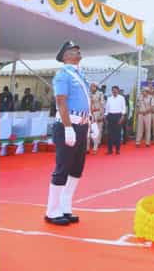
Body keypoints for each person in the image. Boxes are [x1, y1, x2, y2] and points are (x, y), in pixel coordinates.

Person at [45, 41, 91, 226]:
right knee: (63, 168)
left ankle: (65, 206)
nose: (78, 52)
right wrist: (67, 127)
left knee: (77, 169)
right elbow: (61, 102)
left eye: (78, 50)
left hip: (82, 125)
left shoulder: (80, 74)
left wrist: (91, 121)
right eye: (74, 50)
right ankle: (52, 210)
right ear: (65, 56)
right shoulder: (62, 75)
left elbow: (85, 102)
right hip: (68, 125)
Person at [104, 85, 127, 155]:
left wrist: (122, 117)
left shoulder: (122, 98)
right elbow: (107, 109)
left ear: (118, 90)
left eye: (115, 90)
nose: (114, 91)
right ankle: (110, 150)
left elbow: (123, 108)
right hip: (110, 116)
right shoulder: (109, 98)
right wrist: (105, 117)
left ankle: (118, 150)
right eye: (113, 90)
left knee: (118, 134)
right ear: (111, 91)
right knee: (110, 135)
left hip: (118, 116)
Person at [89, 82, 106, 155]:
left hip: (97, 113)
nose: (92, 88)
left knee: (97, 130)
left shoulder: (100, 94)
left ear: (96, 87)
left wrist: (101, 115)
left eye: (93, 86)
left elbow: (102, 104)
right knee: (89, 130)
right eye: (91, 87)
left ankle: (95, 147)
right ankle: (87, 148)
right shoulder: (88, 93)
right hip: (89, 113)